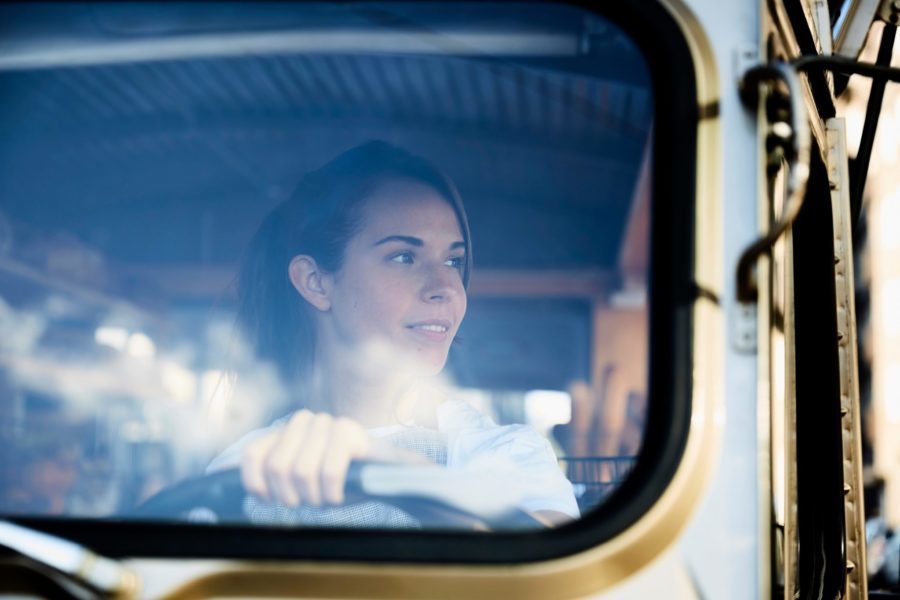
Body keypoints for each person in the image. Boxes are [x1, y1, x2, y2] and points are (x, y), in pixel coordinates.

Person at [208, 141, 578, 528]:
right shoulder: (245, 466)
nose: (447, 287)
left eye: (454, 261)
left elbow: (560, 575)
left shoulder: (504, 454)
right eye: (404, 256)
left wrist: (402, 474)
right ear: (316, 282)